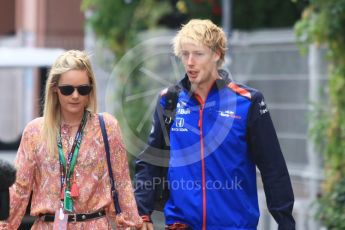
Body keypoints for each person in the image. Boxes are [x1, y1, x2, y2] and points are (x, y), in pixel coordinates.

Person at [134, 19, 295, 230]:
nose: (190, 62)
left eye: (198, 54)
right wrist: (142, 213)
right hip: (181, 225)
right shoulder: (169, 100)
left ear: (217, 54)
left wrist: (285, 222)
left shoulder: (248, 102)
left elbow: (273, 169)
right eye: (185, 54)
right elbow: (151, 161)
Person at [0, 50, 142, 230]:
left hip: (94, 224)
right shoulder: (35, 131)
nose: (75, 96)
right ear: (54, 88)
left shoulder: (107, 127)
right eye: (67, 89)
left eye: (83, 89)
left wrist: (133, 224)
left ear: (91, 89)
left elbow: (122, 184)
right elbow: (19, 189)